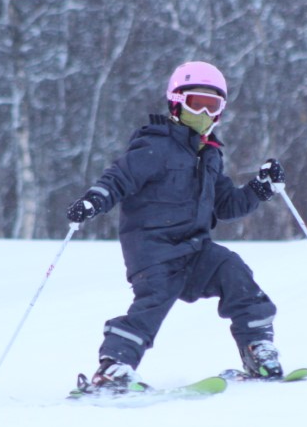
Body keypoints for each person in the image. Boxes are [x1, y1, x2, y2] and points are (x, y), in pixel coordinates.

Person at [66, 60, 287, 392]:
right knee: (152, 305)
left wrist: (260, 188)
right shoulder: (154, 145)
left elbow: (226, 205)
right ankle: (113, 367)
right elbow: (119, 178)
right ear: (176, 103)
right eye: (196, 103)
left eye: (213, 105)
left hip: (196, 251)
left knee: (234, 270)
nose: (204, 113)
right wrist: (94, 200)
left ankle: (258, 350)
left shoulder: (210, 155)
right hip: (153, 252)